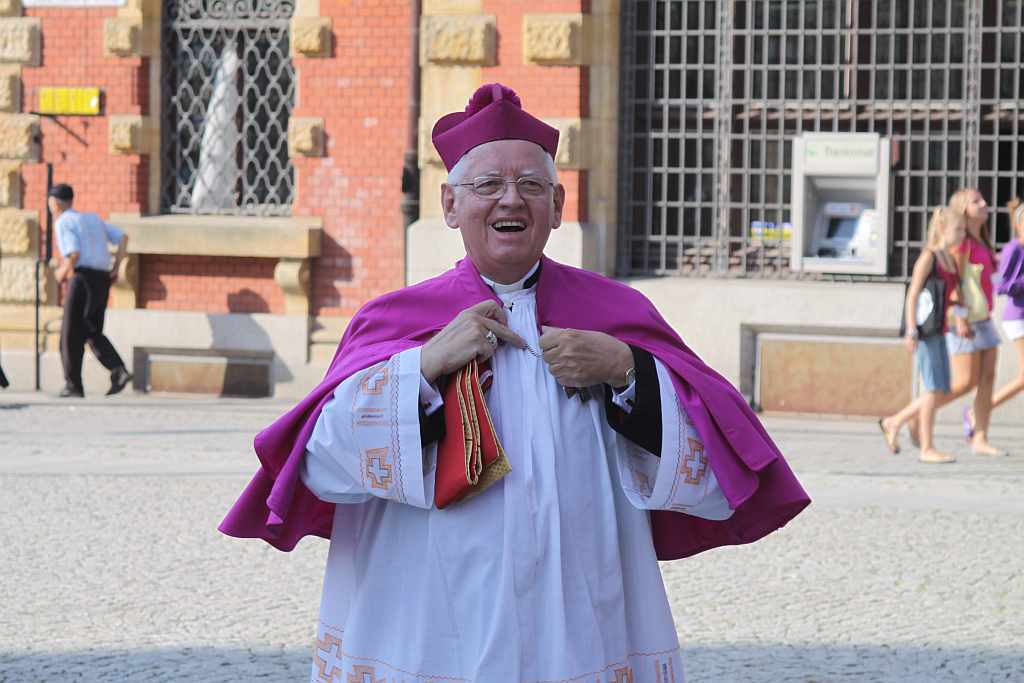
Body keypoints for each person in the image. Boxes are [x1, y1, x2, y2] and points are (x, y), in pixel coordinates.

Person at [220, 84, 810, 683]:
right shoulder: (393, 322)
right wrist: (423, 369)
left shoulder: (618, 314)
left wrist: (626, 370)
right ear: (450, 205)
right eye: (488, 185)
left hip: (578, 621)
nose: (512, 199)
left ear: (557, 205)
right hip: (429, 627)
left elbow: (715, 465)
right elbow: (320, 463)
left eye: (531, 185)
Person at [879, 208, 965, 463]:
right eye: (958, 229)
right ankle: (927, 447)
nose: (962, 234)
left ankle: (894, 421)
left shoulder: (949, 258)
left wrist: (959, 313)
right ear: (942, 229)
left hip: (940, 328)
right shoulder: (929, 257)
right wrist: (910, 330)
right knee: (932, 389)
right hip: (925, 331)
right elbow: (913, 294)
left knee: (940, 389)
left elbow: (950, 293)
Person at [50, 184, 132, 398]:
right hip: (102, 279)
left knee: (70, 334)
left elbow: (74, 253)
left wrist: (60, 273)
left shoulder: (63, 221)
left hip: (82, 279)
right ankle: (118, 370)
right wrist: (116, 266)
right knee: (92, 330)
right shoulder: (93, 219)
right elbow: (123, 238)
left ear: (55, 203)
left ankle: (73, 385)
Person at [945, 188, 1006, 456]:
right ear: (963, 209)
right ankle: (916, 413)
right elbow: (952, 280)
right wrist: (959, 317)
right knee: (964, 383)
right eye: (976, 201)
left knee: (987, 379)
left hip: (984, 318)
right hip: (966, 320)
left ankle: (980, 437)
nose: (984, 204)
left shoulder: (982, 241)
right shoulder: (961, 243)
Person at [987, 196, 1024, 418]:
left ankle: (979, 411)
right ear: (1019, 224)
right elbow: (1000, 285)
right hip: (1018, 317)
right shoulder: (1013, 248)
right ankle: (978, 411)